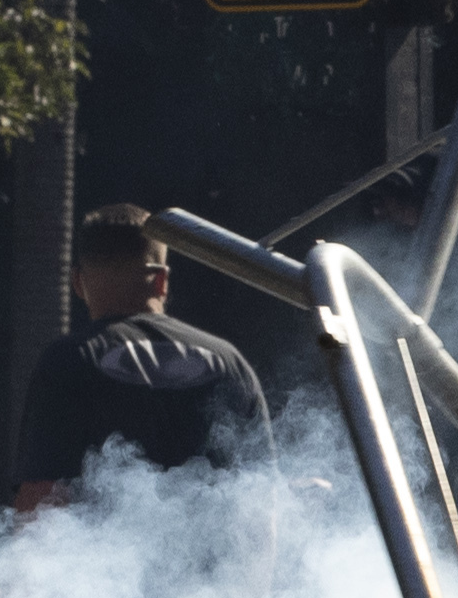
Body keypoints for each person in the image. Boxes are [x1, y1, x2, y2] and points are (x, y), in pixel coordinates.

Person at [15, 207, 273, 512]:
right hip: (217, 560)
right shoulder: (228, 361)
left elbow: (41, 500)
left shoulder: (67, 361)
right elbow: (261, 498)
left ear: (77, 283)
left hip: (100, 559)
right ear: (161, 281)